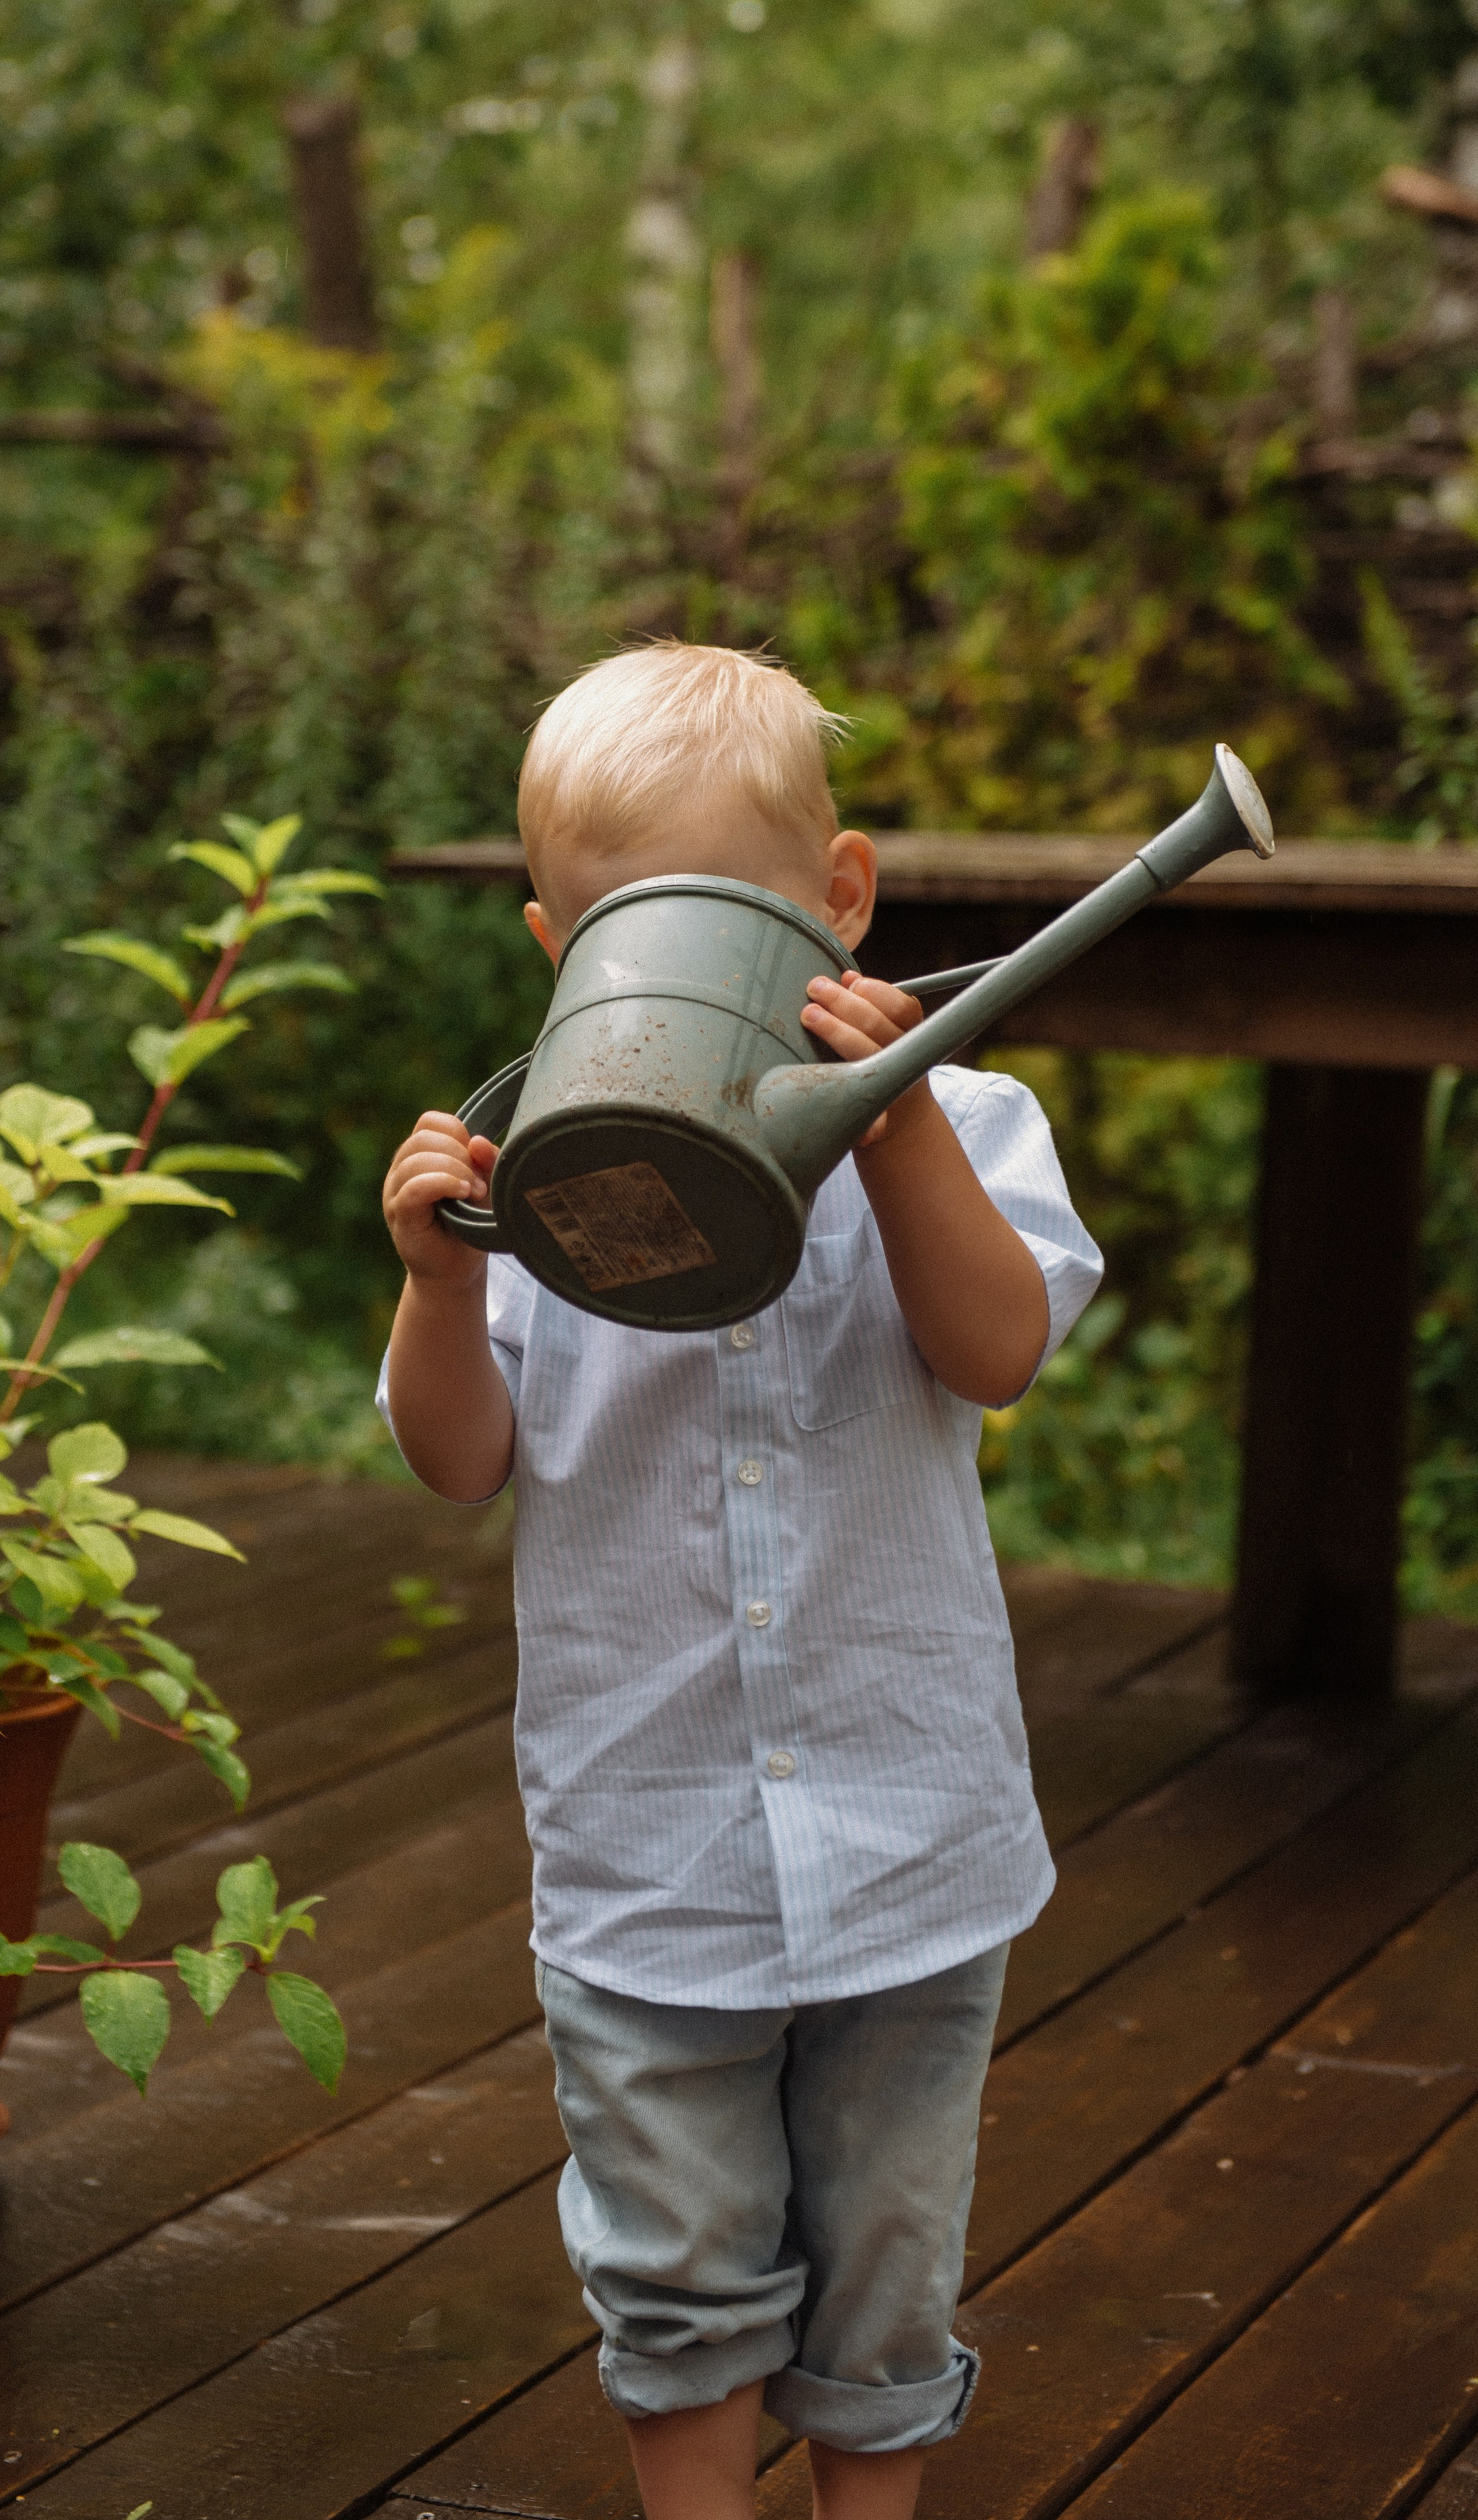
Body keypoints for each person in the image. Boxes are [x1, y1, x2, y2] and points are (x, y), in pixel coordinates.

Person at [379, 643, 1103, 2520]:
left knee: (884, 2274)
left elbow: (997, 1344)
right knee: (676, 2278)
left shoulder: (966, 1126)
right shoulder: (540, 1184)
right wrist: (442, 1280)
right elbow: (457, 1458)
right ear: (560, 946)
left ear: (843, 901)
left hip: (909, 1849)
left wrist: (903, 1120)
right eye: (623, 928)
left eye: (739, 920)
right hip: (651, 1859)